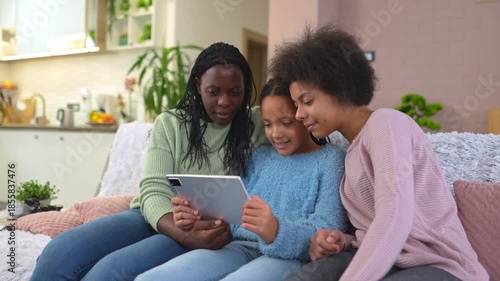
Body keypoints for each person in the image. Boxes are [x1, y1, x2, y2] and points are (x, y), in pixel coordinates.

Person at [266, 24, 489, 281]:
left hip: (441, 266)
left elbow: (395, 218)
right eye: (296, 105)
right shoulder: (350, 152)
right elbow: (374, 229)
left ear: (340, 87)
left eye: (307, 101)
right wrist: (345, 240)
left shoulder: (386, 124)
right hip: (395, 261)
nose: (298, 114)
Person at [30, 42, 268, 281]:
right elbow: (153, 189)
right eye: (213, 91)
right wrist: (183, 233)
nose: (224, 101)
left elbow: (295, 114)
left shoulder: (261, 123)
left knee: (110, 271)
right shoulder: (171, 124)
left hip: (206, 229)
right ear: (198, 85)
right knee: (58, 252)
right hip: (156, 217)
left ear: (245, 88)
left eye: (234, 92)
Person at [135, 78, 348, 281]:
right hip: (237, 248)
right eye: (267, 124)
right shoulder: (259, 155)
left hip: (285, 257)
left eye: (285, 122)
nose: (276, 134)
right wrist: (193, 213)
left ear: (303, 116)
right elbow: (232, 212)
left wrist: (276, 230)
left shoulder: (330, 160)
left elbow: (329, 228)